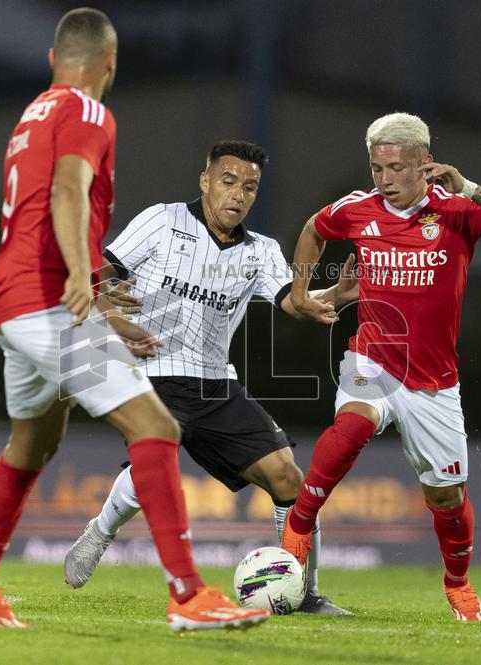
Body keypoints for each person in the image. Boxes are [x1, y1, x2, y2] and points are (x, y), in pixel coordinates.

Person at [0, 8, 268, 633]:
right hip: (49, 303)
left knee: (33, 442)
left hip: (12, 303)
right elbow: (68, 192)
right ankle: (187, 595)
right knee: (154, 426)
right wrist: (81, 284)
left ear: (52, 61)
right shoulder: (89, 112)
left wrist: (89, 296)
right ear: (110, 64)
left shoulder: (31, 116)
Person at [62, 140, 357, 615]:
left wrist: (339, 295)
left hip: (216, 383)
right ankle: (101, 531)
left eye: (250, 187)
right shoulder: (162, 221)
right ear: (205, 182)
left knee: (287, 479)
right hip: (153, 373)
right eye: (228, 181)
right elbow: (91, 279)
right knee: (150, 473)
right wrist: (106, 310)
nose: (238, 194)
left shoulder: (261, 251)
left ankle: (304, 593)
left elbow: (294, 302)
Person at [278, 112, 481, 623]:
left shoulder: (458, 209)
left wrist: (471, 186)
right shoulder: (358, 209)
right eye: (377, 169)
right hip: (371, 357)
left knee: (445, 497)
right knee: (351, 425)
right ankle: (298, 527)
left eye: (396, 168)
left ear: (425, 163)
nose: (385, 180)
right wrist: (302, 293)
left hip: (434, 383)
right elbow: (313, 228)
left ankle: (458, 584)